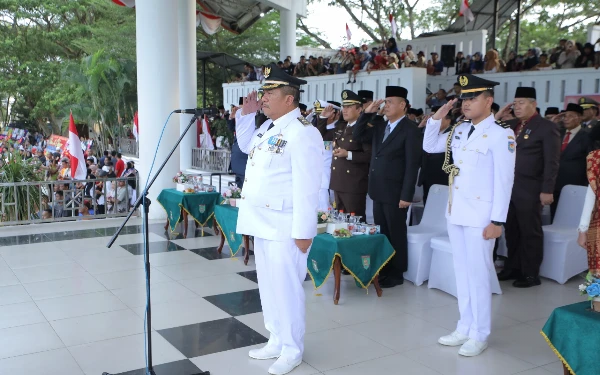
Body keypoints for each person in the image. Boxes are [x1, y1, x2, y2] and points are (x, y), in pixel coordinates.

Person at [234, 63, 322, 375]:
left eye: (270, 92)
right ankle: (275, 336)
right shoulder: (266, 129)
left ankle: (292, 348)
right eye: (264, 91)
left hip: (286, 226)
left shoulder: (302, 133)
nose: (264, 97)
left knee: (287, 289)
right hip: (262, 223)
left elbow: (308, 187)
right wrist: (244, 116)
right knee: (268, 287)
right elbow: (246, 151)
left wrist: (304, 231)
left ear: (289, 99)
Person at [423, 74, 515, 357]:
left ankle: (480, 333)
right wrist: (438, 116)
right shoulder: (459, 130)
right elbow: (429, 146)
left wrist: (497, 221)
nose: (466, 103)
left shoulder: (502, 135)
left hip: (482, 217)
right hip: (457, 212)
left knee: (478, 274)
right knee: (461, 273)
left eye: (472, 98)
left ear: (488, 101)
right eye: (463, 98)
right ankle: (464, 325)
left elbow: (504, 180)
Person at [353, 86, 422, 288]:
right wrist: (367, 113)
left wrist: (406, 195)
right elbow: (359, 135)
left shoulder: (410, 129)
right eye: (386, 101)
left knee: (396, 232)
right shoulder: (381, 125)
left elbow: (412, 165)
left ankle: (397, 272)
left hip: (396, 192)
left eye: (391, 102)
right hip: (378, 189)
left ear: (403, 105)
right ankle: (384, 267)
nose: (386, 105)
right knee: (382, 232)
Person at [495, 87, 561, 288]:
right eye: (515, 103)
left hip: (531, 188)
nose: (517, 107)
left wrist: (547, 189)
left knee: (529, 231)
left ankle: (531, 273)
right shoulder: (512, 124)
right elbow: (486, 129)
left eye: (522, 102)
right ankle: (513, 267)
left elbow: (552, 161)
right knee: (511, 229)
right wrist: (498, 116)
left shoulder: (545, 127)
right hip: (509, 187)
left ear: (534, 104)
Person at [327, 90, 372, 219]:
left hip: (353, 184)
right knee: (340, 222)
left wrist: (348, 154)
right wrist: (323, 118)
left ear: (359, 110)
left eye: (349, 107)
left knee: (355, 222)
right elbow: (322, 134)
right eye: (344, 107)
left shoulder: (365, 129)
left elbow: (369, 155)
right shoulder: (341, 127)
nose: (345, 110)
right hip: (338, 182)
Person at [550, 103, 593, 218]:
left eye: (570, 116)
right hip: (555, 184)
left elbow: (591, 162)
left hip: (575, 185)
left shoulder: (587, 137)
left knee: (571, 217)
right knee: (554, 216)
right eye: (565, 116)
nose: (566, 119)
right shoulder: (558, 133)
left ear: (579, 118)